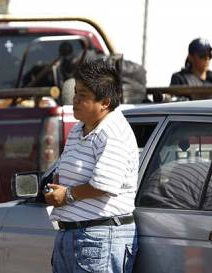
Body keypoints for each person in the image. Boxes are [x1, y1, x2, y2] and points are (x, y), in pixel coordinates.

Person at [44, 59, 139, 273]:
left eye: (83, 95)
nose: (74, 100)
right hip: (75, 235)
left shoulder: (112, 131)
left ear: (105, 102)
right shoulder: (80, 128)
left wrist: (66, 195)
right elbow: (64, 169)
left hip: (98, 238)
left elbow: (104, 184)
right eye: (75, 92)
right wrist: (55, 188)